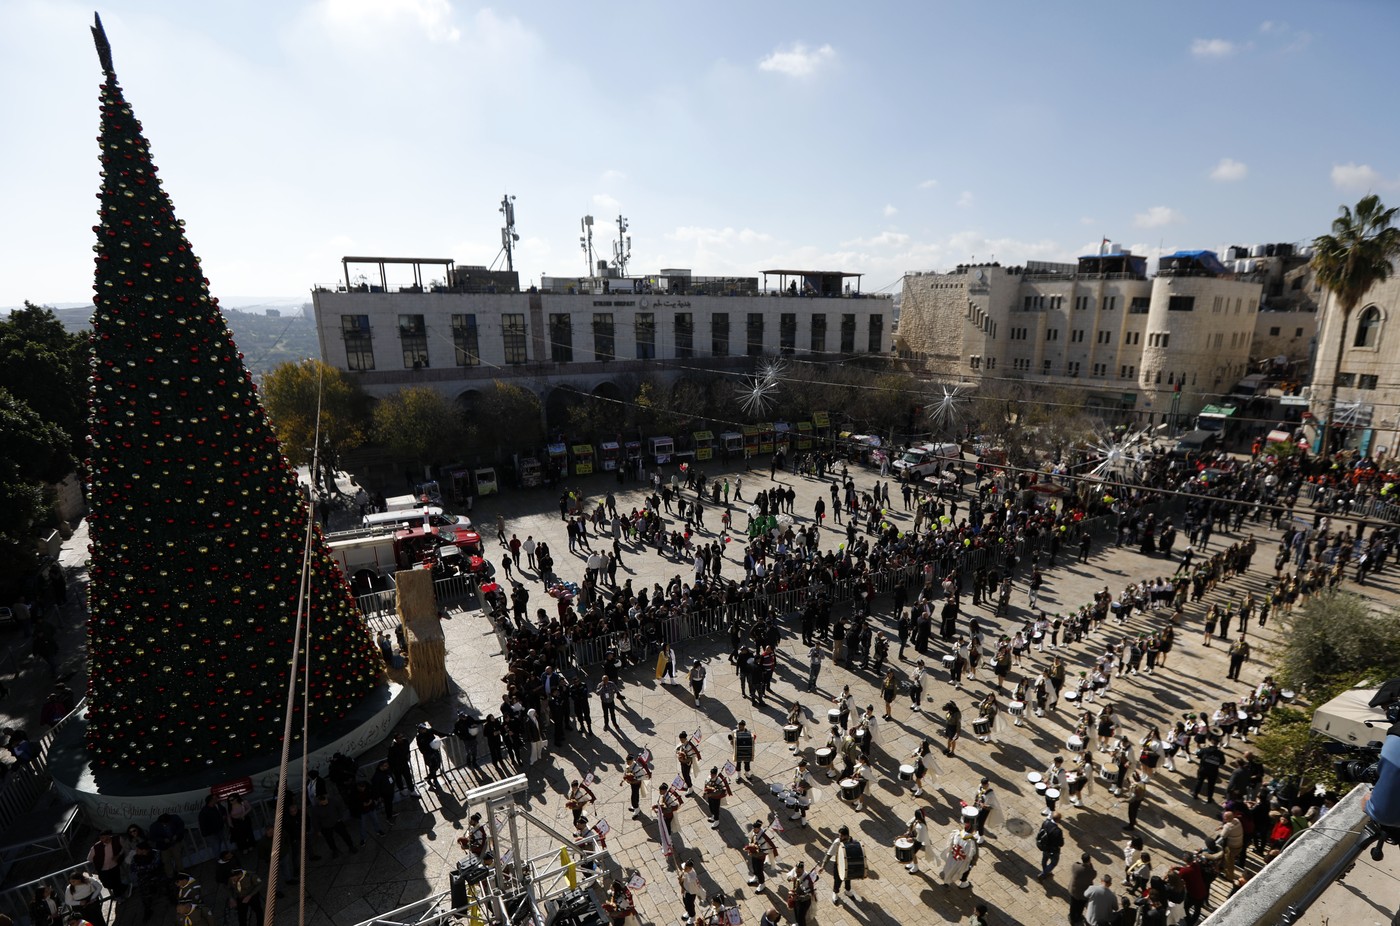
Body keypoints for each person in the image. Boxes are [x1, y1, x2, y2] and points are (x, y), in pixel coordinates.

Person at [823, 825, 864, 905]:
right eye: (839, 835)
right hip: (838, 865)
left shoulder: (853, 842)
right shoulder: (837, 842)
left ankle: (847, 891)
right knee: (837, 880)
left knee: (849, 878)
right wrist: (823, 866)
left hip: (849, 864)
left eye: (841, 835)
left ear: (846, 835)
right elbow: (829, 854)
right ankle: (835, 893)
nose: (840, 837)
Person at [86, 831, 127, 898]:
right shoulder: (96, 847)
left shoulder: (117, 840)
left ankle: (119, 896)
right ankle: (123, 888)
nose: (103, 840)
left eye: (105, 837)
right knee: (107, 884)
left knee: (116, 882)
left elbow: (123, 848)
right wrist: (98, 863)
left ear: (109, 836)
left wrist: (118, 855)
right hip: (103, 869)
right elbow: (90, 858)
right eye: (101, 838)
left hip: (114, 866)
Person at [938, 822, 978, 888]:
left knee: (949, 868)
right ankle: (963, 883)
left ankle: (947, 881)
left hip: (953, 857)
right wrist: (973, 861)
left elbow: (950, 843)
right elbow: (972, 854)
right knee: (963, 870)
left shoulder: (956, 834)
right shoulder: (971, 842)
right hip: (962, 860)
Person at [743, 819, 777, 888]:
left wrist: (774, 852)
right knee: (754, 866)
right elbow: (751, 838)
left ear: (759, 828)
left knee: (759, 869)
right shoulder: (754, 832)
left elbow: (771, 844)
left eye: (755, 829)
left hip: (761, 855)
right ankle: (756, 877)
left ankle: (762, 883)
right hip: (754, 853)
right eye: (753, 828)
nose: (754, 830)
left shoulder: (764, 836)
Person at [1035, 812, 1065, 881]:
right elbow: (1061, 844)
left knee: (1044, 859)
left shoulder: (1045, 823)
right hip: (1053, 850)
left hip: (1044, 847)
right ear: (1058, 820)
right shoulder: (1058, 831)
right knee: (1054, 863)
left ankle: (1046, 871)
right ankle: (1043, 873)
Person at [785, 861, 816, 926]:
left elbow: (808, 896)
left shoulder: (807, 881)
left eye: (799, 872)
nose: (797, 873)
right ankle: (797, 923)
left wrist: (797, 897)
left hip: (804, 901)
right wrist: (791, 878)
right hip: (796, 896)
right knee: (796, 911)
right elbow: (788, 877)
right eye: (796, 871)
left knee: (801, 917)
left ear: (803, 870)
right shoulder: (795, 870)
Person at [1069, 854, 1097, 926]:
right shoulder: (1092, 872)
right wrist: (1090, 866)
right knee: (1080, 906)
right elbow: (1093, 874)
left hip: (1074, 890)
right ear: (1089, 861)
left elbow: (1075, 864)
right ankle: (1078, 917)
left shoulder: (1075, 866)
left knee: (1073, 905)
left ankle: (1072, 918)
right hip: (1083, 893)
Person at [622, 752, 652, 818]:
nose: (627, 762)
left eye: (629, 761)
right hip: (632, 783)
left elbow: (642, 776)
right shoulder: (630, 765)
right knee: (635, 794)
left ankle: (636, 808)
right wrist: (625, 778)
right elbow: (626, 771)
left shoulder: (637, 768)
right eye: (627, 761)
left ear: (632, 760)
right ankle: (636, 805)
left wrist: (633, 781)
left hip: (636, 783)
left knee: (633, 796)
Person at [904, 809, 929, 874]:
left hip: (918, 841)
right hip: (914, 836)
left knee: (912, 853)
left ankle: (916, 866)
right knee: (910, 852)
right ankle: (912, 863)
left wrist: (911, 839)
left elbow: (919, 839)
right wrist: (908, 833)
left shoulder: (922, 827)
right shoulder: (916, 819)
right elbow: (911, 826)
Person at [677, 859, 703, 924]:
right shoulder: (686, 871)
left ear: (690, 868)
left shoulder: (692, 877)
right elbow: (683, 880)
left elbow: (686, 884)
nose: (684, 869)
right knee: (685, 902)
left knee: (690, 905)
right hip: (686, 891)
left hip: (691, 893)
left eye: (686, 868)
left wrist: (681, 880)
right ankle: (688, 912)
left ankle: (692, 916)